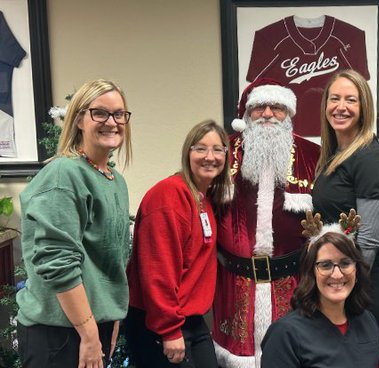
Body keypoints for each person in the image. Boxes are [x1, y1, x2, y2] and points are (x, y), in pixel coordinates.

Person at [16, 79, 132, 368]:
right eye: (100, 113)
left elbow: (112, 258)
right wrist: (90, 333)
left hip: (91, 324)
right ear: (80, 119)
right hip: (60, 334)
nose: (112, 122)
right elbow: (58, 261)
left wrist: (111, 315)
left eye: (119, 114)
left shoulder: (115, 180)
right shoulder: (63, 174)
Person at [215, 78, 319, 368]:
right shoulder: (223, 153)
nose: (268, 113)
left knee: (289, 357)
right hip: (233, 284)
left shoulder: (313, 156)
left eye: (278, 107)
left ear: (289, 114)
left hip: (293, 281)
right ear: (247, 114)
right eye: (260, 106)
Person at [125, 120, 232, 368]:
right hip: (159, 322)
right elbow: (157, 270)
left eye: (218, 150)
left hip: (190, 319)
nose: (210, 157)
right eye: (200, 148)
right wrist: (169, 330)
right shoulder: (169, 196)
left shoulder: (203, 199)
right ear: (187, 153)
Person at [310, 71, 379, 350]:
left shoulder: (370, 158)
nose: (341, 107)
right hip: (339, 279)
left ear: (364, 109)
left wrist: (345, 284)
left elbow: (369, 239)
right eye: (334, 99)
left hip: (362, 286)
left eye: (351, 100)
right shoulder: (333, 154)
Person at [260, 226, 379, 368]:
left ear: (356, 271)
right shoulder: (285, 334)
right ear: (311, 273)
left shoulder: (367, 321)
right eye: (326, 265)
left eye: (345, 263)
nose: (337, 274)